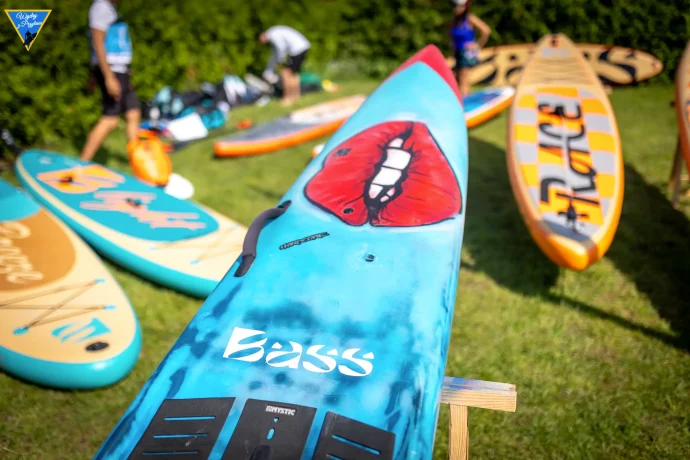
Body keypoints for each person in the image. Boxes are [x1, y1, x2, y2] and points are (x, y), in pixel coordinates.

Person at [81, 0, 141, 162]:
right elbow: (97, 42)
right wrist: (107, 76)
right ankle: (81, 164)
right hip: (112, 70)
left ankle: (138, 162)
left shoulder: (110, 8)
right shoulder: (101, 7)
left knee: (133, 113)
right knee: (110, 119)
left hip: (121, 71)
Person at [258, 25, 311, 107]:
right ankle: (295, 96)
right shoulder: (273, 32)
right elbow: (275, 53)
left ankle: (287, 98)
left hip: (297, 49)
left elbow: (280, 48)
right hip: (301, 47)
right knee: (293, 74)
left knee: (285, 74)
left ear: (262, 35)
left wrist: (280, 61)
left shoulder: (272, 35)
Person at [449, 0, 491, 96]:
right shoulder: (455, 21)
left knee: (463, 78)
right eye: (455, 6)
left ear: (465, 7)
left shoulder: (469, 18)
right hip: (458, 52)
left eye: (459, 6)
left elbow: (486, 31)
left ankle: (464, 101)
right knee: (460, 78)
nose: (456, 8)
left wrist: (478, 45)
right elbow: (451, 38)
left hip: (467, 52)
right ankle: (467, 98)